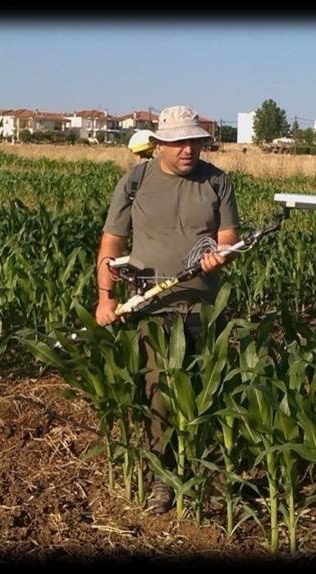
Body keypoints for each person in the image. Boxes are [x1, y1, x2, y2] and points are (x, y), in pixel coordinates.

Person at [95, 105, 240, 513]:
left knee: (206, 392)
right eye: (178, 142)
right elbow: (110, 244)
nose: (188, 149)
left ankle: (203, 475)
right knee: (158, 395)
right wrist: (106, 298)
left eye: (193, 141)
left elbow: (228, 235)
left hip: (203, 308)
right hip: (151, 308)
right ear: (159, 144)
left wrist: (220, 254)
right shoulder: (136, 182)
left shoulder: (217, 181)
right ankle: (163, 478)